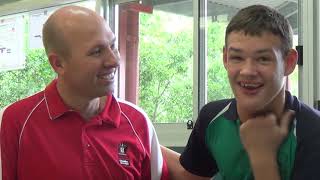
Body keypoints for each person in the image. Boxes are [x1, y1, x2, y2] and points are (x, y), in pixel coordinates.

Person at [0, 5, 168, 180]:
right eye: (96, 52)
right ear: (58, 64)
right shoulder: (13, 122)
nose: (114, 60)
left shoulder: (138, 122)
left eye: (113, 46)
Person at [162, 4, 320, 180]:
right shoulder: (212, 118)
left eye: (263, 59)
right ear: (225, 59)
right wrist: (146, 136)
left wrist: (262, 158)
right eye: (237, 57)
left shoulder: (312, 131)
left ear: (289, 62)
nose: (247, 71)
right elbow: (192, 176)